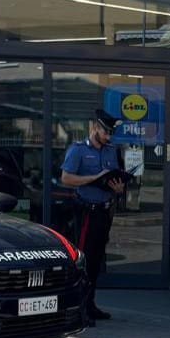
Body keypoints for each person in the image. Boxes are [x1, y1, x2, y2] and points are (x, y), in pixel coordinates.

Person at [61, 109, 126, 323]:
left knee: (97, 260)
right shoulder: (78, 150)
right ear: (95, 128)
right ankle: (79, 310)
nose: (108, 136)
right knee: (84, 259)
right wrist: (94, 178)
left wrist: (118, 188)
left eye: (110, 133)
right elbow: (66, 178)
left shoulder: (111, 151)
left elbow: (116, 179)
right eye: (105, 132)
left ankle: (90, 304)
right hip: (86, 212)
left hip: (104, 211)